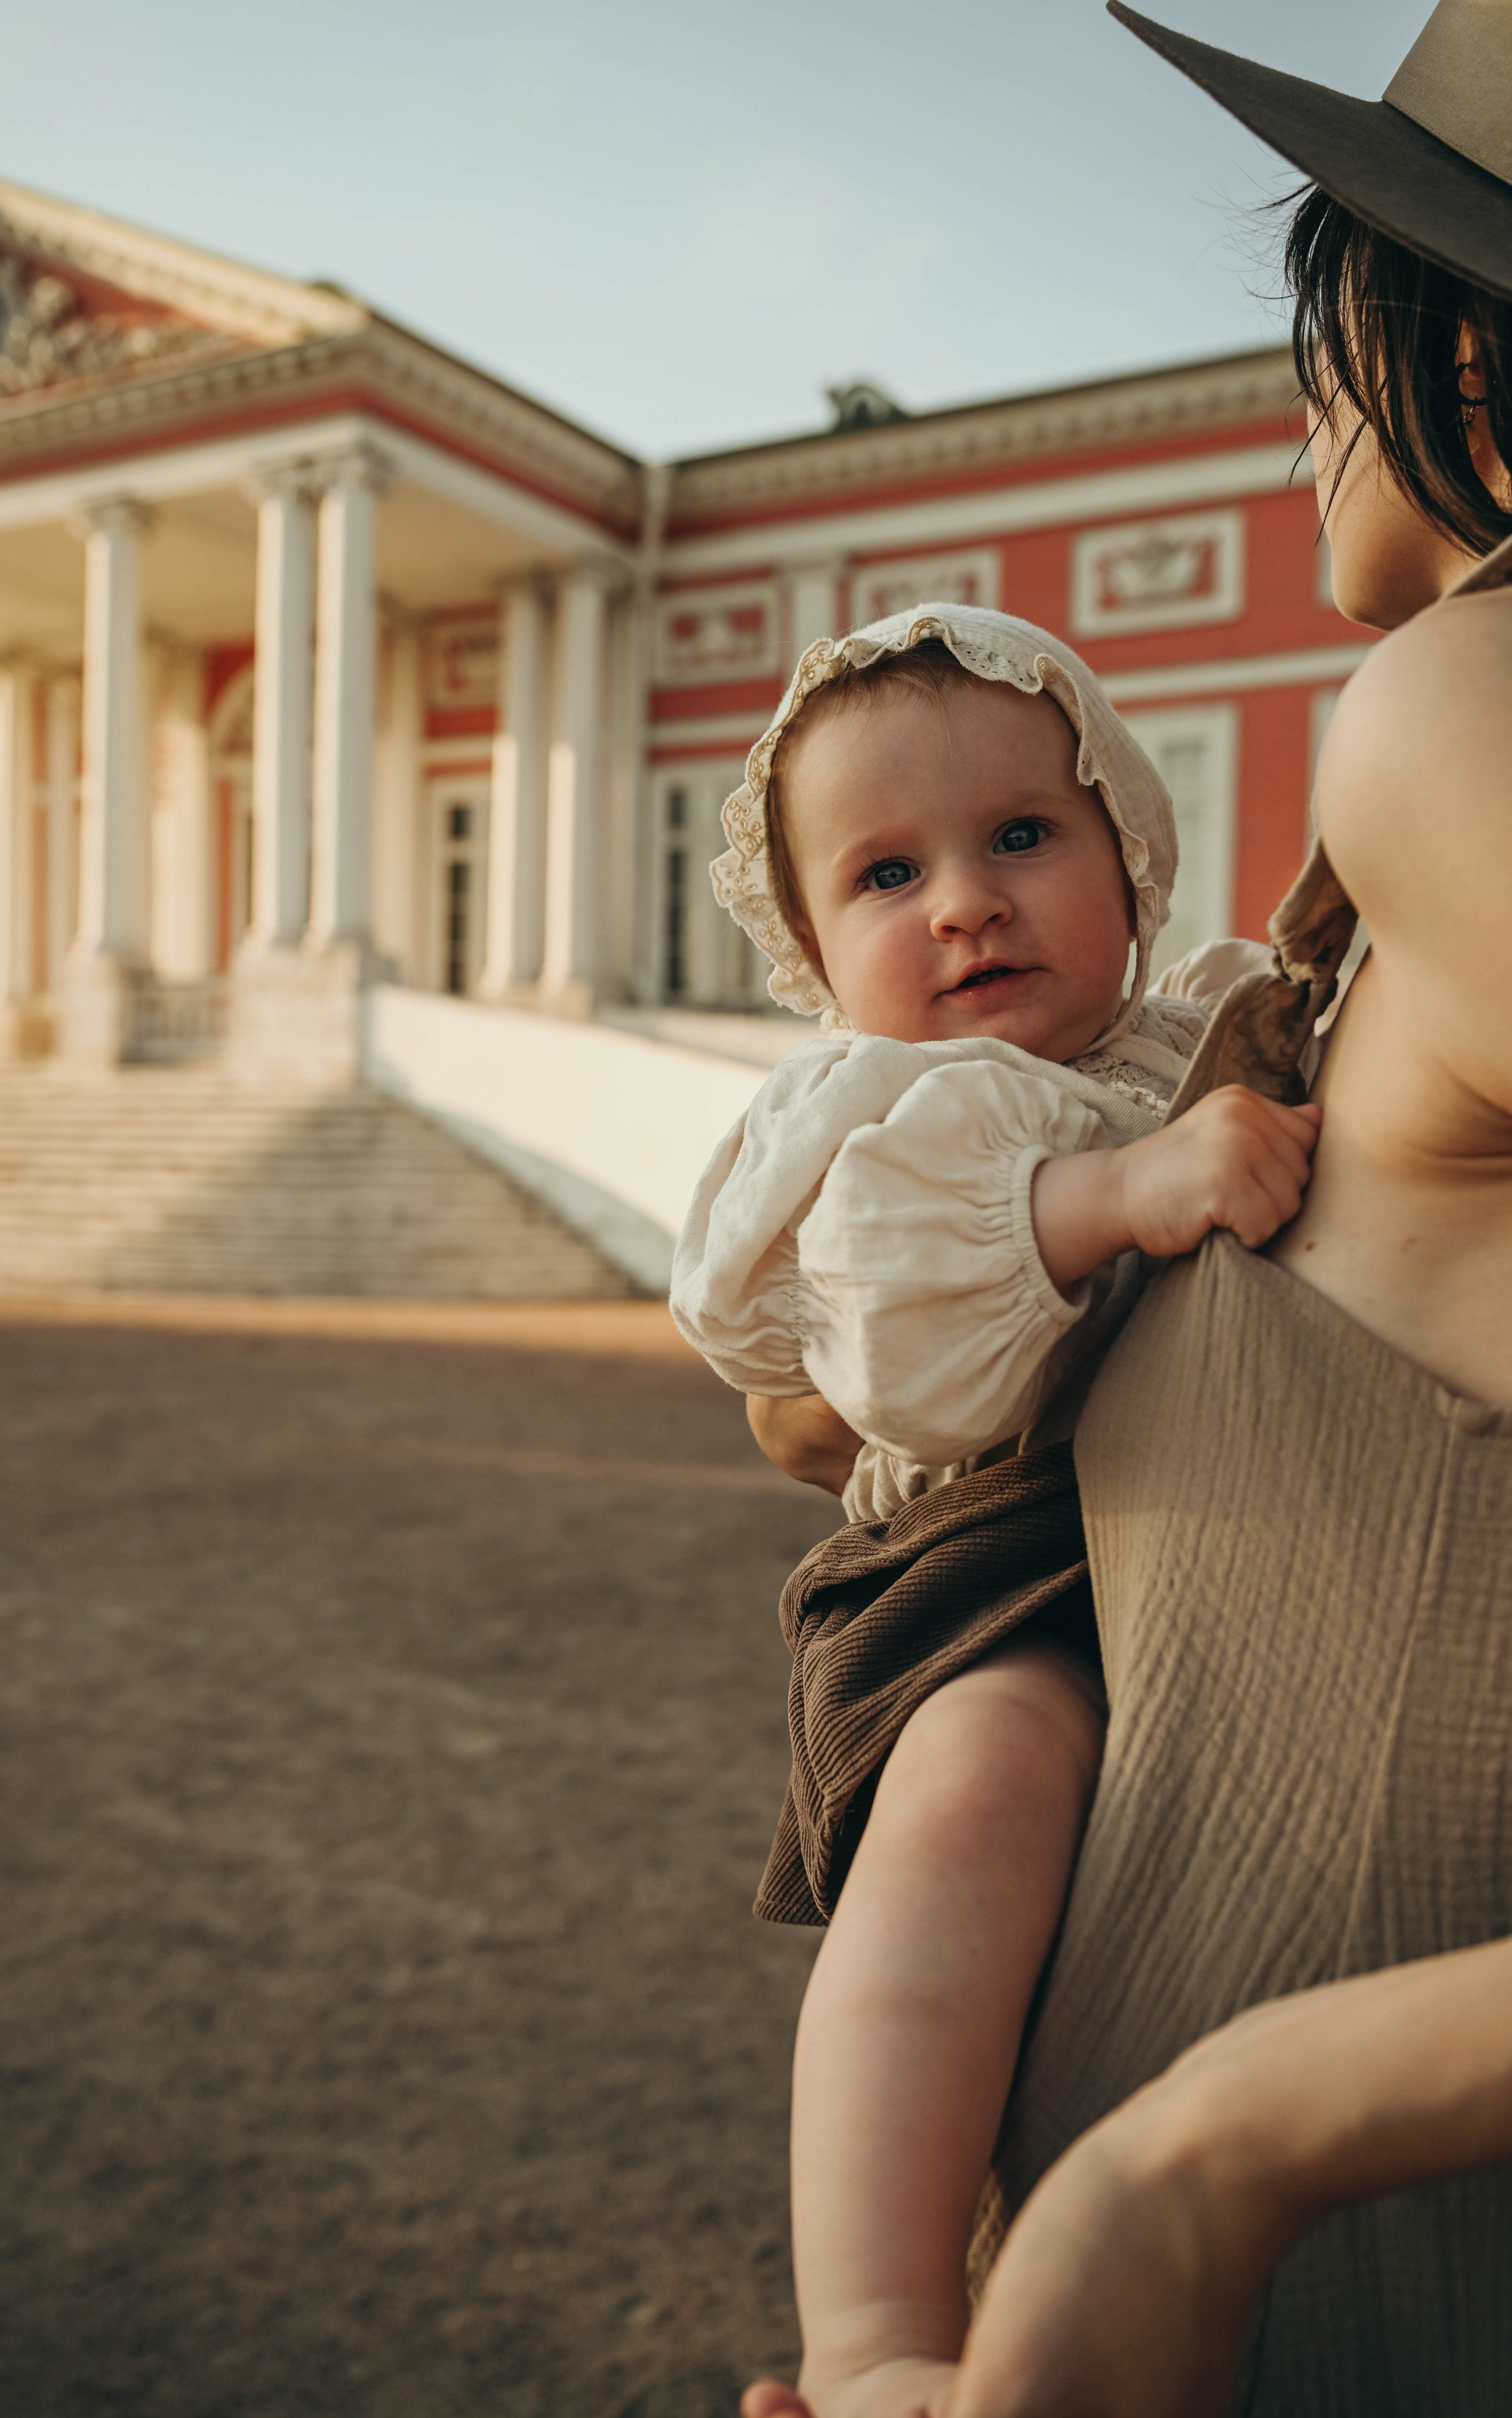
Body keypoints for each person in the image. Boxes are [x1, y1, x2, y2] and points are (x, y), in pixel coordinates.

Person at [744, 3, 1512, 2412]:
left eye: (1340, 328)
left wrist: (1228, 2149)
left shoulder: (1447, 708)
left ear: (1473, 373)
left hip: (1336, 2287)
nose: (1308, 419)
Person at [670, 606, 1321, 2418]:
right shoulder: (902, 1118)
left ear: (1131, 844)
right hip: (985, 1565)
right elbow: (898, 1345)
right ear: (813, 951)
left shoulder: (1201, 1034)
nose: (963, 901)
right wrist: (1114, 1191)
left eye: (1021, 836)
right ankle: (876, 2335)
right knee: (979, 1791)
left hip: (1208, 1541)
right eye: (888, 872)